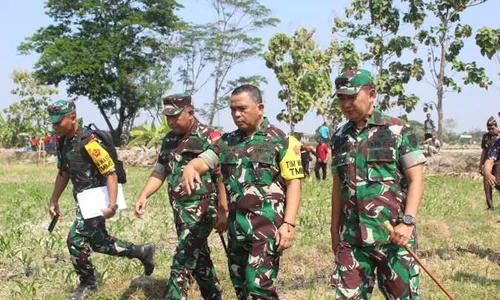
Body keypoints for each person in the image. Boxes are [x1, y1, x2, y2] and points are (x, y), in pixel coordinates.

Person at [181, 84, 304, 299]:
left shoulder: (282, 140)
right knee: (242, 288)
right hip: (237, 230)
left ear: (260, 107)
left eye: (242, 108)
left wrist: (289, 224)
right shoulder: (227, 142)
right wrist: (191, 167)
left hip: (266, 230)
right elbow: (205, 160)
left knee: (259, 288)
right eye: (232, 109)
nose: (237, 114)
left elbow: (294, 183)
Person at [330, 69, 426, 299]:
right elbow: (338, 188)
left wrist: (408, 222)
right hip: (352, 241)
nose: (345, 104)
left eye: (351, 97)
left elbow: (416, 179)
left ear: (371, 94)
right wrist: (335, 230)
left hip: (393, 238)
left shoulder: (397, 130)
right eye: (341, 98)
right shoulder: (339, 137)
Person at [47, 99, 155, 300]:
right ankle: (141, 251)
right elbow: (63, 173)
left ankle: (88, 283)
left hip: (97, 200)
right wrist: (54, 200)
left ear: (72, 117)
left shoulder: (90, 142)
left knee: (75, 240)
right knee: (98, 242)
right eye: (52, 122)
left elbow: (110, 173)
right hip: (82, 201)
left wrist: (112, 205)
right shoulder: (63, 142)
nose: (54, 126)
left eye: (58, 122)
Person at [134, 93, 223, 299]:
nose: (171, 121)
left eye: (175, 116)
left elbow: (221, 178)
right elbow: (160, 170)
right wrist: (144, 195)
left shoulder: (210, 137)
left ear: (190, 112)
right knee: (199, 258)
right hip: (180, 209)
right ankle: (214, 295)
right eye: (167, 117)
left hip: (203, 208)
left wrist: (222, 209)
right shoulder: (169, 139)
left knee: (183, 259)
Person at [480, 117, 500, 211]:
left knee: (497, 183)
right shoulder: (486, 137)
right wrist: (481, 165)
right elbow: (484, 152)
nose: (491, 130)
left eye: (492, 128)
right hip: (488, 162)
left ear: (496, 126)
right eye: (489, 129)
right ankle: (490, 206)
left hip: (498, 163)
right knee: (487, 183)